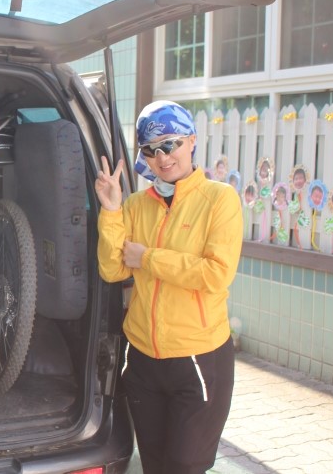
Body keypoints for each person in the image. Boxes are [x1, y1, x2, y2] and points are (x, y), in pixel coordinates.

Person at [94, 100, 243, 474]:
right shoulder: (135, 205)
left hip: (198, 358)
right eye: (151, 150)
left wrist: (148, 258)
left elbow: (216, 274)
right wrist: (111, 211)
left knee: (183, 465)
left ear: (191, 140)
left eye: (170, 144)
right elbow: (111, 270)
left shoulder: (219, 199)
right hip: (143, 360)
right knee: (154, 464)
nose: (162, 157)